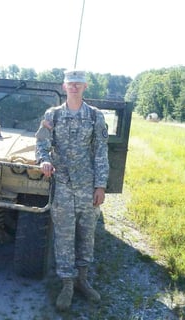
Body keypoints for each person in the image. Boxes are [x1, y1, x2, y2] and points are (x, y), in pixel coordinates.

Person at [35, 70, 109, 311]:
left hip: (88, 186)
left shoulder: (95, 116)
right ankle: (67, 284)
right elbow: (42, 144)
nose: (74, 88)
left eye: (78, 84)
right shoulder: (52, 115)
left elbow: (100, 152)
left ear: (85, 86)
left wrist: (100, 186)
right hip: (63, 186)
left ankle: (83, 280)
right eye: (70, 84)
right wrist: (44, 160)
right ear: (63, 87)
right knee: (65, 236)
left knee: (87, 234)